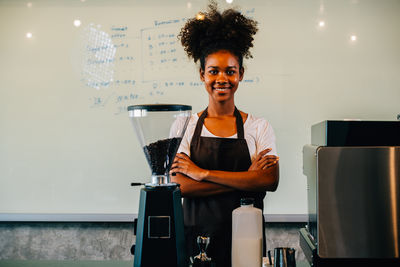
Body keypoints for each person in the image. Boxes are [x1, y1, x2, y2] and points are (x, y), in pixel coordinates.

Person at [170, 2, 279, 266]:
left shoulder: (259, 126)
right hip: (196, 240)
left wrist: (203, 173)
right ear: (201, 75)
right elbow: (180, 186)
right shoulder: (183, 125)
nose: (222, 78)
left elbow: (269, 180)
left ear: (241, 74)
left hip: (246, 240)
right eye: (213, 71)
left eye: (230, 71)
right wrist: (246, 178)